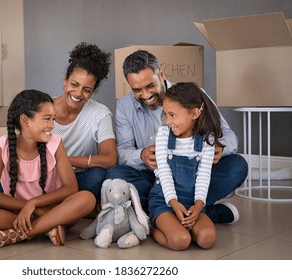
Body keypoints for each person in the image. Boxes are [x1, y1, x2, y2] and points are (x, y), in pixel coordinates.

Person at [106, 50, 248, 224]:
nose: (145, 95)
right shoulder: (124, 106)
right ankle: (203, 213)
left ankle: (162, 213)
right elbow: (122, 152)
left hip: (194, 175)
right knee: (115, 174)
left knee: (238, 165)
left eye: (150, 86)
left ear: (162, 73)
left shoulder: (194, 94)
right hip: (154, 178)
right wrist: (141, 155)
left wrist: (220, 147)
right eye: (137, 90)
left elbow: (229, 135)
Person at [0, 89, 96, 251]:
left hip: (51, 209)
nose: (52, 125)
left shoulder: (55, 143)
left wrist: (34, 203)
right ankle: (48, 227)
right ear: (25, 121)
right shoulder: (2, 146)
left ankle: (13, 235)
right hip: (18, 212)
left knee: (87, 198)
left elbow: (71, 188)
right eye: (47, 119)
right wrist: (29, 207)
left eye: (53, 119)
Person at [149, 82, 220, 250]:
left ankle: (186, 224)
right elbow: (164, 172)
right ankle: (152, 228)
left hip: (191, 202)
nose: (168, 121)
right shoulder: (164, 134)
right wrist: (173, 203)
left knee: (207, 239)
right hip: (165, 200)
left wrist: (198, 206)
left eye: (173, 115)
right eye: (165, 114)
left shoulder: (205, 140)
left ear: (195, 113)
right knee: (180, 241)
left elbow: (204, 176)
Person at [53, 42, 117, 203]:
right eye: (74, 84)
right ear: (65, 80)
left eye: (86, 89)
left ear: (93, 92)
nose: (78, 93)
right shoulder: (44, 108)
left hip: (81, 178)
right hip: (49, 176)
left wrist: (65, 160)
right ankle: (67, 208)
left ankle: (61, 206)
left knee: (98, 176)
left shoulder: (100, 113)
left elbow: (110, 158)